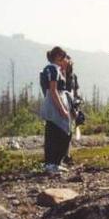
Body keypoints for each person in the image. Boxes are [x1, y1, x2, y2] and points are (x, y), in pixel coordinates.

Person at [39, 46, 72, 174]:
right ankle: (50, 164)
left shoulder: (57, 69)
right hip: (55, 104)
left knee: (61, 132)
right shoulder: (53, 69)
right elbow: (53, 90)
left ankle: (56, 163)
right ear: (58, 57)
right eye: (63, 57)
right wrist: (62, 109)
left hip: (58, 101)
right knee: (56, 133)